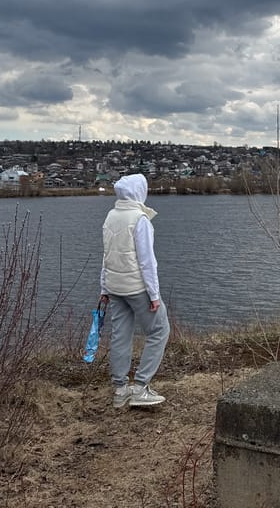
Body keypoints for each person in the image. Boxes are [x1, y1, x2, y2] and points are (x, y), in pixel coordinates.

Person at [99, 173, 170, 408]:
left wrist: (104, 286)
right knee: (159, 329)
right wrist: (154, 295)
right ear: (140, 192)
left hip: (115, 286)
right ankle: (140, 387)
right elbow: (147, 262)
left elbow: (106, 255)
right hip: (136, 287)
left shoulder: (111, 216)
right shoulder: (140, 219)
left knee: (121, 335)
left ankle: (120, 391)